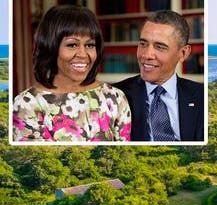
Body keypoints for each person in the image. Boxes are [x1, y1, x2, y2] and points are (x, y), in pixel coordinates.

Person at [13, 5, 131, 142]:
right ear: (51, 47)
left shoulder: (115, 98)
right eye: (72, 45)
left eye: (89, 45)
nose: (82, 54)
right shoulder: (27, 104)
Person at [114, 10, 204, 142]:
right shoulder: (116, 96)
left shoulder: (203, 96)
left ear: (183, 53)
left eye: (160, 47)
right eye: (143, 44)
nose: (147, 55)